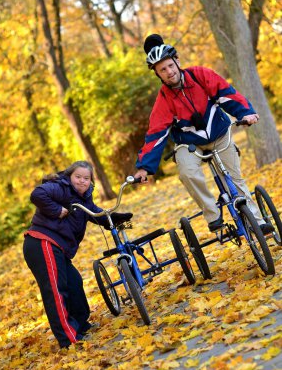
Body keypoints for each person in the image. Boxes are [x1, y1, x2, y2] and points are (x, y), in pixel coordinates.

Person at [134, 34, 273, 234]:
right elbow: (156, 135)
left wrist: (246, 113)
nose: (169, 72)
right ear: (158, 74)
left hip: (219, 133)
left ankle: (257, 222)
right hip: (190, 145)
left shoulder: (200, 75)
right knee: (187, 172)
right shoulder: (163, 101)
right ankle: (213, 214)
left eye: (170, 66)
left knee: (234, 178)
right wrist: (144, 168)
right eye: (162, 70)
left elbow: (228, 94)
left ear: (177, 61)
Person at [23, 161, 132, 349]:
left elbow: (96, 214)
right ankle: (69, 339)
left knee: (74, 283)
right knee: (56, 291)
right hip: (42, 242)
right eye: (78, 177)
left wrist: (115, 217)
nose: (82, 181)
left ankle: (80, 325)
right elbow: (37, 194)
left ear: (91, 182)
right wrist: (57, 211)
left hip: (58, 247)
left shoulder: (84, 199)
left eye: (86, 178)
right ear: (69, 177)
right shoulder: (61, 187)